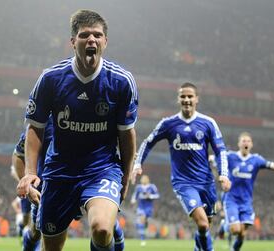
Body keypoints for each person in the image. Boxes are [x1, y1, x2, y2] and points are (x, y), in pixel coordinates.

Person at [17, 9, 138, 251]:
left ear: (105, 41)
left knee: (103, 229)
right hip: (59, 171)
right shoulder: (51, 79)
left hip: (102, 169)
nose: (91, 40)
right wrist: (30, 172)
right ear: (73, 42)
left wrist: (125, 175)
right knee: (51, 245)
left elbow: (127, 135)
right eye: (84, 35)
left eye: (97, 35)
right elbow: (35, 129)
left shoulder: (121, 82)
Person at [132, 82, 231, 251]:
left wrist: (223, 174)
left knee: (206, 224)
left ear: (196, 99)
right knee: (202, 224)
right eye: (183, 96)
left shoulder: (208, 123)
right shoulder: (169, 123)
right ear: (178, 99)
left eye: (190, 96)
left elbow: (220, 150)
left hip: (207, 184)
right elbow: (148, 142)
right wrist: (137, 164)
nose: (186, 99)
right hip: (184, 183)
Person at [130, 174, 159, 246]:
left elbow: (157, 195)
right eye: (142, 179)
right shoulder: (138, 187)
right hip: (141, 207)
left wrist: (150, 196)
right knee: (141, 220)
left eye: (145, 179)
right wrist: (133, 200)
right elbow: (135, 195)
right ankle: (142, 239)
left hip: (148, 207)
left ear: (148, 179)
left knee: (144, 222)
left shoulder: (152, 186)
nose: (143, 180)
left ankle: (145, 227)